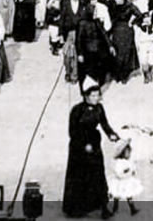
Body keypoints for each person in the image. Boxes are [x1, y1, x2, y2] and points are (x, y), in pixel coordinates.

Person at [62, 80, 120, 218]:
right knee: (80, 176)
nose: (95, 98)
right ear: (86, 96)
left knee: (98, 174)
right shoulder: (77, 110)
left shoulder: (99, 108)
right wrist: (83, 144)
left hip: (94, 144)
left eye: (97, 95)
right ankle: (77, 208)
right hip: (79, 147)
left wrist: (113, 135)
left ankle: (102, 207)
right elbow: (72, 131)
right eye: (92, 95)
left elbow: (105, 125)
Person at [107, 138, 142, 217]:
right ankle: (116, 208)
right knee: (117, 195)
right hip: (120, 182)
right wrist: (126, 171)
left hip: (126, 182)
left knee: (128, 195)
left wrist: (132, 171)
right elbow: (119, 172)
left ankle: (131, 209)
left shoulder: (127, 162)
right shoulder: (119, 162)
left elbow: (130, 169)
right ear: (122, 153)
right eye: (127, 153)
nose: (129, 154)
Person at [133, 14, 153, 84]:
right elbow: (136, 38)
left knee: (151, 60)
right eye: (145, 18)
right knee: (144, 61)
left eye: (148, 18)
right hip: (142, 44)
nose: (147, 20)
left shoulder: (152, 26)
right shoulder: (139, 28)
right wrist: (137, 47)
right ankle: (146, 75)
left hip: (151, 44)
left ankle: (149, 71)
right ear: (143, 19)